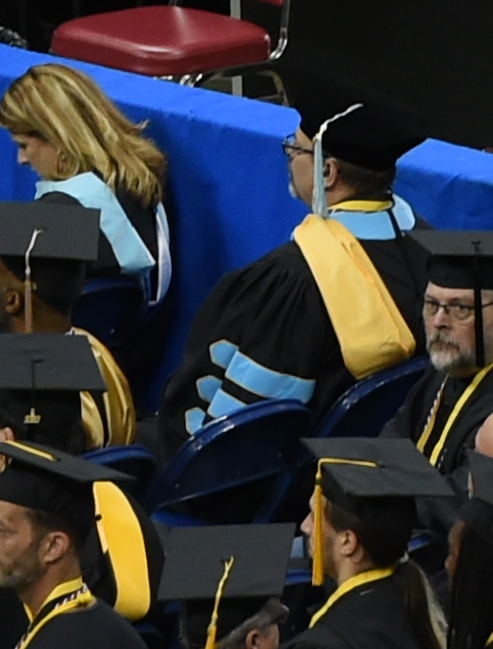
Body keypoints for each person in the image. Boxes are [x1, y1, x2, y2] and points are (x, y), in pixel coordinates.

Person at [162, 85, 430, 439]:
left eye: (297, 147)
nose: (289, 154)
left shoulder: (293, 281)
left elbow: (232, 439)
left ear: (328, 172)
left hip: (296, 477)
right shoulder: (429, 249)